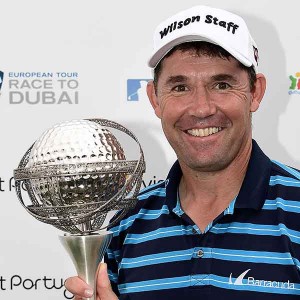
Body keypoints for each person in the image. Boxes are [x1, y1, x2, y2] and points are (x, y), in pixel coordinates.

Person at [65, 5, 300, 300]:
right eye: (179, 87)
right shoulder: (125, 223)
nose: (201, 108)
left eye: (222, 84)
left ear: (255, 93)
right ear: (155, 99)